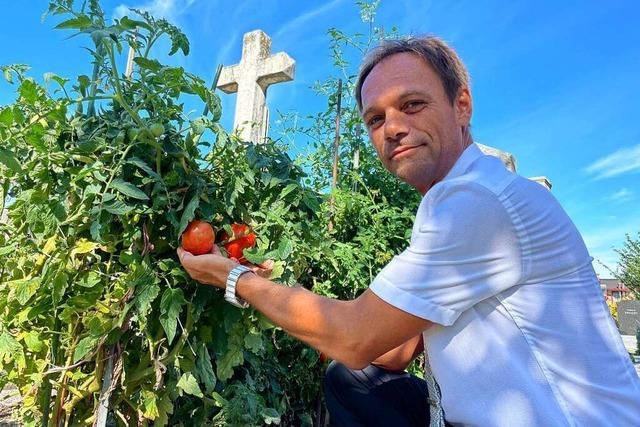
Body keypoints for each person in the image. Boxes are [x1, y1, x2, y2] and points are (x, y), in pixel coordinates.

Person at [178, 36, 640, 426]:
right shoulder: (458, 200)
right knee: (350, 378)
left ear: (462, 105)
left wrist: (234, 277)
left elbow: (353, 338)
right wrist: (327, 312)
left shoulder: (476, 200)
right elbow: (391, 354)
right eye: (375, 119)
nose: (392, 128)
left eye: (412, 105)